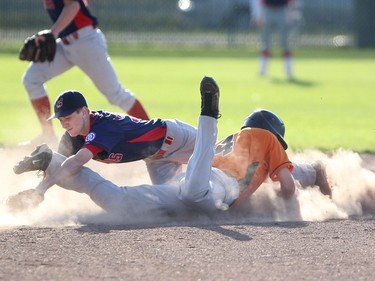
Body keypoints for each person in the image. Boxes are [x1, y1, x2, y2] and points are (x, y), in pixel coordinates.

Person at [21, 0, 149, 145]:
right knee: (32, 78)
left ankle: (152, 135)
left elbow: (74, 5)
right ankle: (48, 135)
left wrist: (52, 33)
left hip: (86, 42)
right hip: (65, 43)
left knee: (116, 94)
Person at [15, 89, 196, 185]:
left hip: (176, 137)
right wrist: (46, 164)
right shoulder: (72, 137)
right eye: (61, 119)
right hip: (156, 159)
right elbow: (63, 167)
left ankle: (223, 150)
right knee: (177, 201)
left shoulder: (104, 126)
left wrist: (41, 189)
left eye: (68, 117)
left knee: (219, 160)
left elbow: (76, 162)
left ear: (84, 112)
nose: (64, 124)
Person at [250, 0, 299, 79]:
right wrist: (260, 15)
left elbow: (290, 1)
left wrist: (290, 13)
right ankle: (263, 69)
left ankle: (289, 70)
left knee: (285, 41)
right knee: (265, 41)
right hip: (267, 10)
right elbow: (261, 2)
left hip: (282, 10)